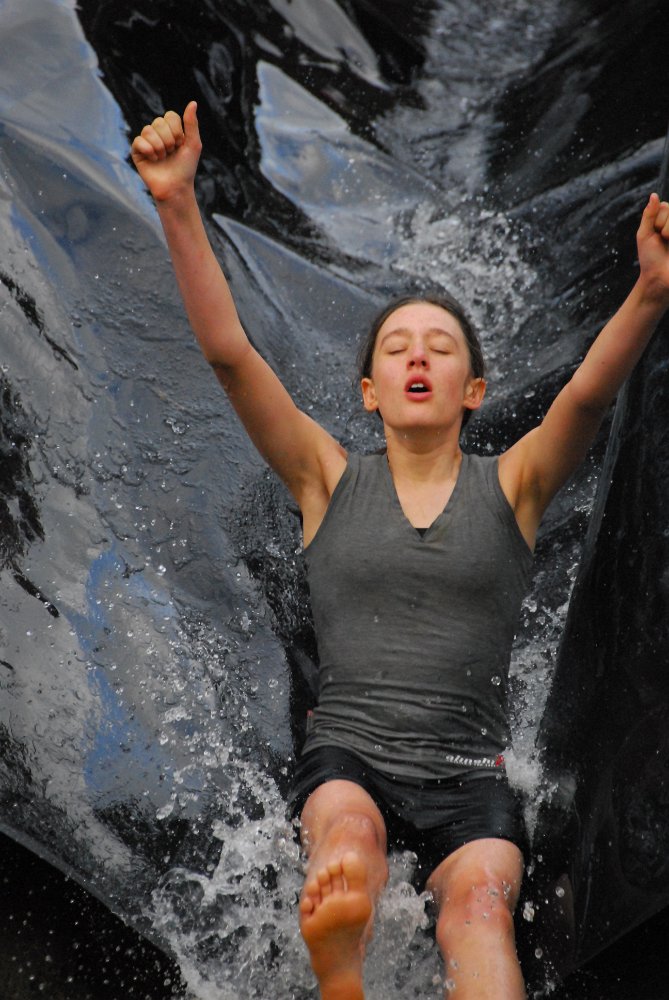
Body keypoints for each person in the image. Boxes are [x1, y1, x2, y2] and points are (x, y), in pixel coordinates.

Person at [131, 102, 669, 999]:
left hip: (470, 778)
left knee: (479, 907)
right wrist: (177, 202)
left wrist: (650, 291)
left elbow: (584, 396)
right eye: (397, 348)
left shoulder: (516, 484)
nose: (418, 358)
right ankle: (341, 960)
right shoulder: (323, 478)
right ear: (370, 392)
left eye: (440, 347)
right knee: (348, 844)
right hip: (350, 758)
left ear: (474, 387)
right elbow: (231, 356)